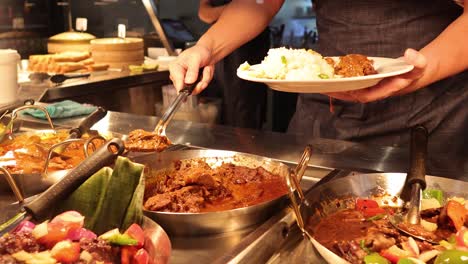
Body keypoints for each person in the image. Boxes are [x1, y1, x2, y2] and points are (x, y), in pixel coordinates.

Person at [169, 0, 468, 161]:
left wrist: (423, 69)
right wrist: (206, 47)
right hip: (324, 110)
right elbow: (260, 2)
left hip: (428, 114)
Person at [198, 0, 270, 129]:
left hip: (249, 45)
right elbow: (204, 13)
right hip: (220, 46)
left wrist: (233, 10)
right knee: (224, 107)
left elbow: (261, 5)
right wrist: (204, 47)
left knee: (245, 108)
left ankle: (245, 146)